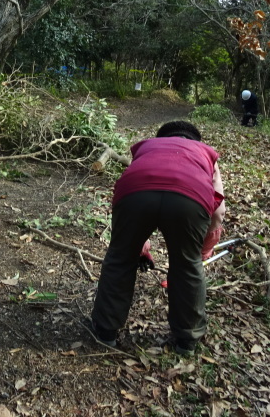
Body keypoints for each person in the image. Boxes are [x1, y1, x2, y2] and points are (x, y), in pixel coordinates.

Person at [89, 121, 226, 355]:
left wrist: (135, 242)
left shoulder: (148, 148)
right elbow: (219, 211)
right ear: (195, 140)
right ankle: (187, 341)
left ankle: (105, 332)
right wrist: (202, 251)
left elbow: (137, 190)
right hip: (189, 199)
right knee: (187, 266)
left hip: (134, 195)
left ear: (161, 137)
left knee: (120, 258)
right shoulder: (204, 153)